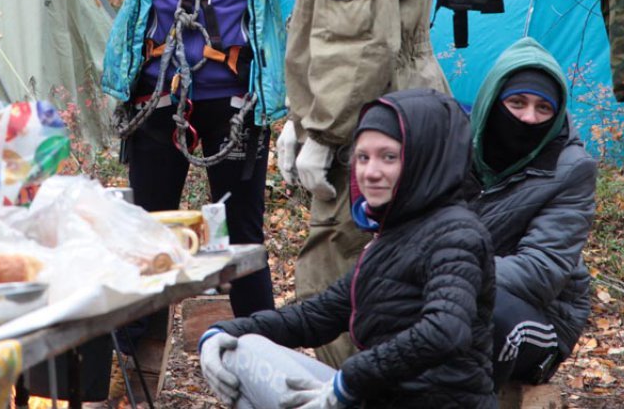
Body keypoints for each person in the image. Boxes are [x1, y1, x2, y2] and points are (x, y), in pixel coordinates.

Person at [236, 0, 450, 364]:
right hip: (371, 115)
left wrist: (324, 132)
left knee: (340, 276)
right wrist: (300, 121)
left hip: (373, 123)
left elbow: (356, 41)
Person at [80, 0, 301, 317]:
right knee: (150, 227)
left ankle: (257, 346)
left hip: (235, 95)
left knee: (242, 231)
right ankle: (140, 361)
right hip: (155, 90)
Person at [197, 89, 496, 409]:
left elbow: (445, 330)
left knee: (244, 358)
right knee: (239, 348)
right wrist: (220, 332)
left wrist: (349, 382)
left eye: (389, 157)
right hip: (380, 397)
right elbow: (316, 316)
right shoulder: (395, 235)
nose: (370, 172)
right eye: (363, 157)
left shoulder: (455, 234)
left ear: (424, 159)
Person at [467, 37, 596, 388]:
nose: (528, 117)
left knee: (479, 318)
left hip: (542, 319)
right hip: (456, 288)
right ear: (493, 101)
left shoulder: (572, 170)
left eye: (543, 108)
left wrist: (445, 268)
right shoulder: (458, 149)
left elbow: (541, 271)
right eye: (517, 102)